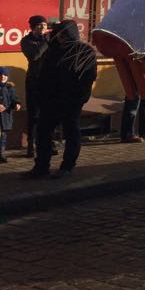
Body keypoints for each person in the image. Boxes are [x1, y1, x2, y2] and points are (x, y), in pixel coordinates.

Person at [23, 20, 97, 180]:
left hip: (71, 100)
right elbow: (44, 73)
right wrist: (40, 94)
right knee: (43, 132)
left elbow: (88, 77)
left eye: (62, 35)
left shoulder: (84, 51)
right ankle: (41, 167)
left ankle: (67, 166)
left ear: (69, 34)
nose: (60, 38)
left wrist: (80, 97)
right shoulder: (53, 50)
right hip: (50, 99)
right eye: (58, 35)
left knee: (71, 132)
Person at [19, 15, 49, 158]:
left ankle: (47, 143)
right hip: (33, 81)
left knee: (48, 113)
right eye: (39, 25)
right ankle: (31, 145)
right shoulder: (26, 41)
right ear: (33, 27)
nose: (43, 27)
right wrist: (46, 40)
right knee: (33, 115)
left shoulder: (49, 40)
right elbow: (35, 55)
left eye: (44, 24)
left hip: (48, 81)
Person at [0, 67, 22, 163]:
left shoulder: (10, 88)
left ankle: (2, 153)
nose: (2, 77)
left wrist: (17, 104)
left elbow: (14, 99)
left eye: (5, 75)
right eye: (0, 75)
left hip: (5, 117)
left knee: (3, 136)